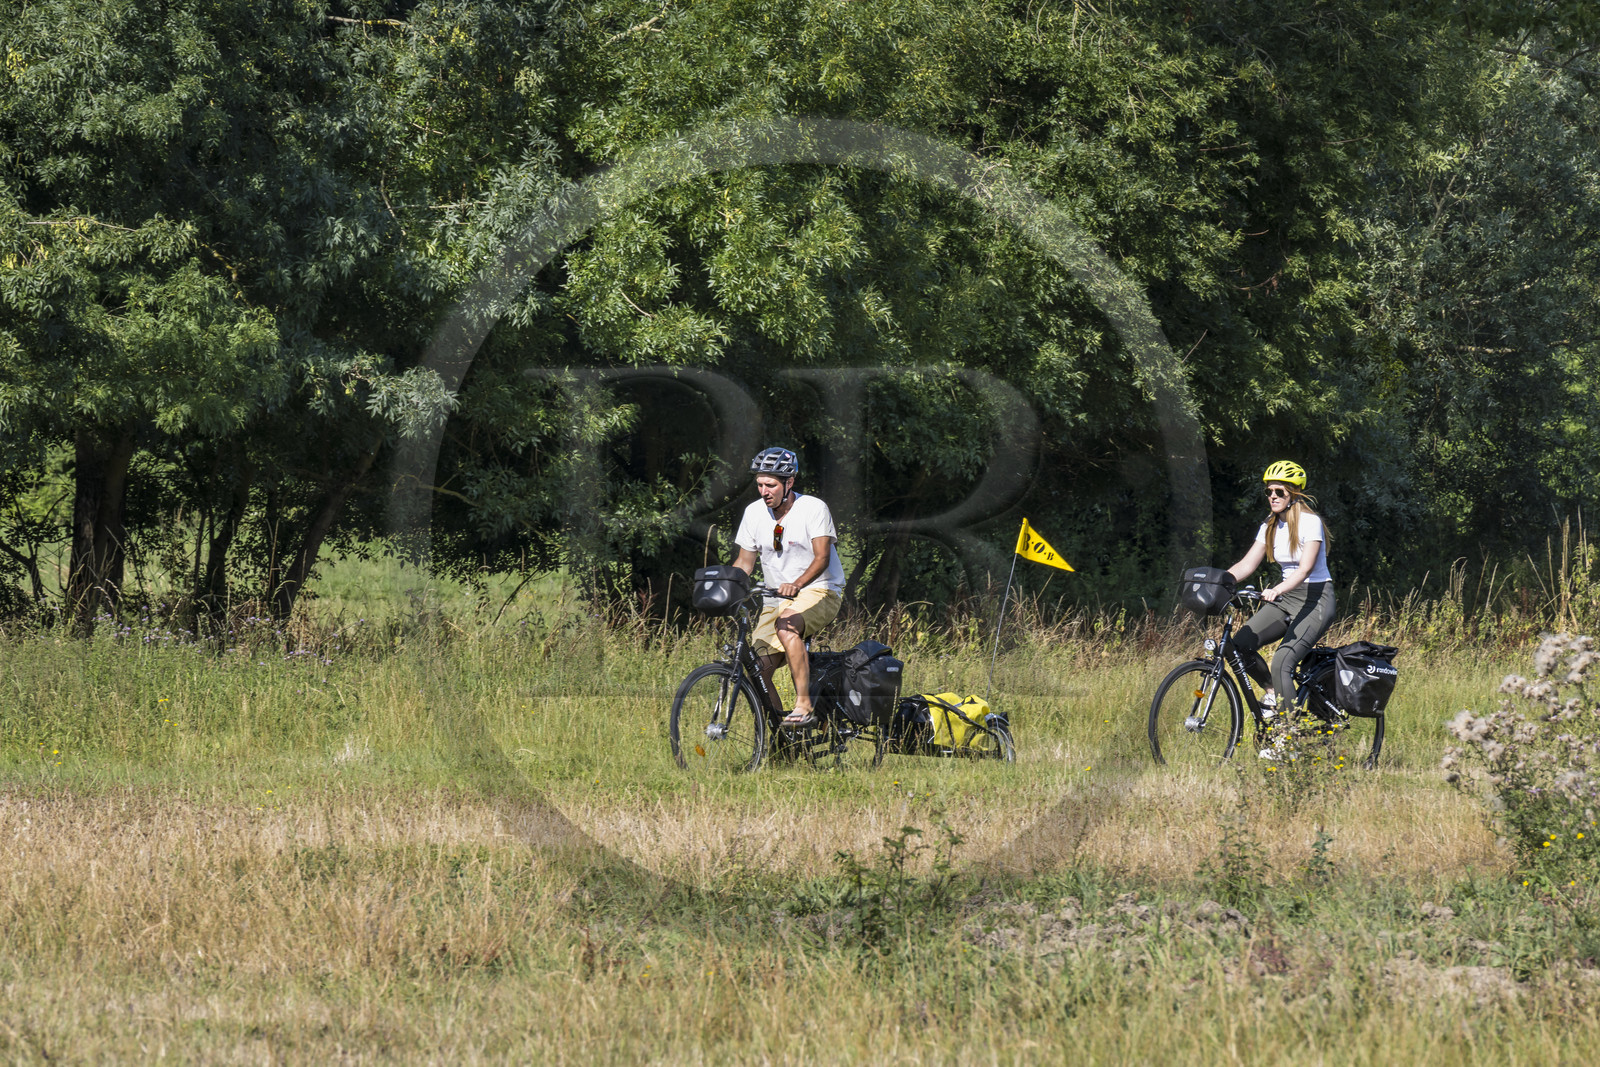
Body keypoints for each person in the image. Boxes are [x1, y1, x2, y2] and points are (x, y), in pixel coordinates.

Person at [1225, 460, 1336, 752]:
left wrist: (1277, 589)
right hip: (1286, 599)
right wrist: (1220, 581)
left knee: (1282, 662)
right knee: (1240, 645)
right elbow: (1248, 563)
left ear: (1294, 494)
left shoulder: (1310, 522)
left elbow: (1305, 569)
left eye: (1279, 492)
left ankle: (1287, 739)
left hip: (1315, 598)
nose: (1272, 496)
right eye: (1269, 491)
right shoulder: (1270, 525)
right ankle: (1273, 693)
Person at [731, 447, 845, 728]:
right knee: (757, 671)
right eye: (759, 484)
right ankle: (785, 742)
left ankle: (803, 705)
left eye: (770, 485)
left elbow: (822, 557)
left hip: (820, 590)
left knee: (786, 626)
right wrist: (725, 586)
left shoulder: (813, 508)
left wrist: (797, 584)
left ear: (789, 483)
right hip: (776, 599)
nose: (763, 491)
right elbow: (744, 563)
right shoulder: (754, 513)